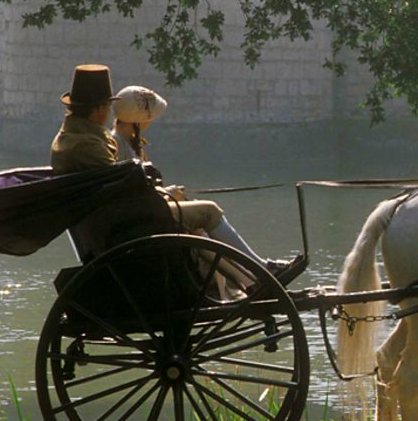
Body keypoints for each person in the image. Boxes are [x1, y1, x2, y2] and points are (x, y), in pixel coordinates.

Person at [50, 64, 306, 284]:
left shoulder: (73, 138)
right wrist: (164, 193)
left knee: (196, 221)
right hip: (127, 224)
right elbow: (122, 191)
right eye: (106, 107)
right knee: (209, 211)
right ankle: (261, 272)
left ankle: (248, 277)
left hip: (117, 221)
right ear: (98, 109)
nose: (108, 114)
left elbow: (120, 186)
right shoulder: (89, 145)